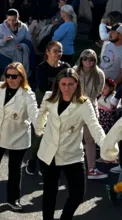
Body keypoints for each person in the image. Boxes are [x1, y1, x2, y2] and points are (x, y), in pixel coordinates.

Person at [36, 68, 106, 220]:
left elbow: (94, 126)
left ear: (77, 85)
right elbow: (41, 114)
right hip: (49, 154)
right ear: (58, 84)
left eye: (70, 84)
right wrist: (39, 129)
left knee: (77, 194)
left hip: (72, 154)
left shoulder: (84, 104)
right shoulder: (49, 97)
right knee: (50, 193)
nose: (66, 88)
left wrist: (105, 145)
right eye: (63, 84)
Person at [0, 63, 39, 211]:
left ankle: (13, 199)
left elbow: (35, 115)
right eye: (8, 76)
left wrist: (43, 127)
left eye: (14, 76)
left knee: (15, 169)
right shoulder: (0, 87)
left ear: (21, 77)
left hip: (18, 138)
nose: (10, 79)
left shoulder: (28, 95)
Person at [26, 40, 71, 176]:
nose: (58, 54)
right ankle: (32, 160)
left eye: (60, 51)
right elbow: (43, 86)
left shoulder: (66, 67)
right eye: (55, 51)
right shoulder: (41, 68)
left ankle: (46, 162)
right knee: (40, 133)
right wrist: (62, 88)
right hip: (43, 102)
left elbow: (71, 84)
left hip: (61, 103)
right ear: (47, 52)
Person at [72, 49, 106, 179]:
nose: (88, 61)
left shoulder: (99, 74)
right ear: (81, 59)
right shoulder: (74, 71)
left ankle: (92, 168)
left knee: (90, 140)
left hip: (91, 108)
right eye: (85, 58)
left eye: (91, 59)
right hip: (74, 108)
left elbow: (98, 92)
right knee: (71, 137)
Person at [0, 9, 32, 84]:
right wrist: (4, 40)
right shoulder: (1, 27)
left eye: (14, 20)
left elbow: (29, 40)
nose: (11, 22)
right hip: (5, 55)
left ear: (18, 18)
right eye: (9, 20)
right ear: (6, 18)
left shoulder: (23, 27)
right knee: (7, 76)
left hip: (19, 55)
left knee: (17, 76)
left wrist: (22, 45)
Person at [100, 23, 122, 89]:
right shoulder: (108, 45)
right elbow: (103, 62)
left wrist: (110, 87)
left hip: (109, 88)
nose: (109, 34)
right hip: (99, 81)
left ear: (120, 34)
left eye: (113, 32)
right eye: (110, 31)